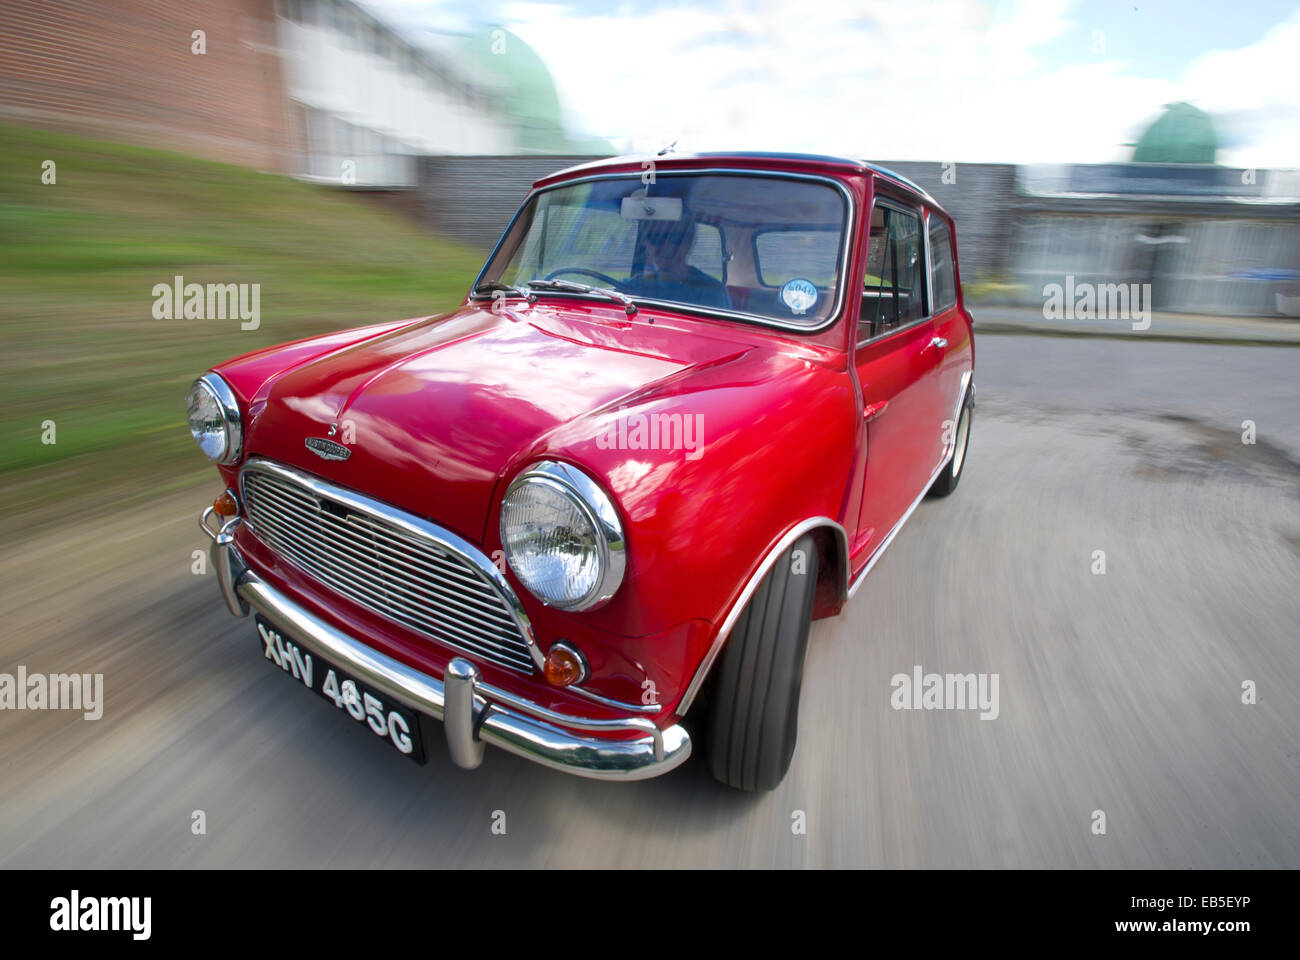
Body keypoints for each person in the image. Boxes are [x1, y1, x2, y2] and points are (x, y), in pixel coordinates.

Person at [624, 214, 731, 309]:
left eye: (676, 238)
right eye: (655, 238)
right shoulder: (633, 288)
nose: (667, 248)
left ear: (689, 242)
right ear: (646, 244)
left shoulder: (712, 292)